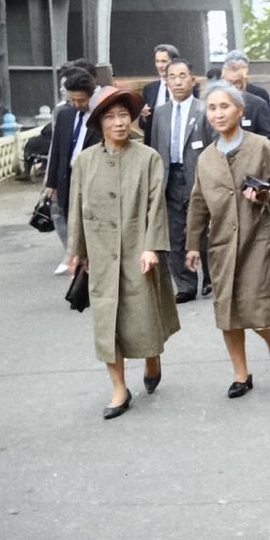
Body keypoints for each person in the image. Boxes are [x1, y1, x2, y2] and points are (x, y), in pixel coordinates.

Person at [65, 87, 181, 419]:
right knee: (107, 322)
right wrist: (76, 250)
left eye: (123, 116)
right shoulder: (85, 161)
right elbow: (76, 206)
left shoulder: (148, 158)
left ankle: (151, 356)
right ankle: (119, 388)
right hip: (100, 253)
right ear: (99, 123)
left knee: (143, 314)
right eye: (111, 117)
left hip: (137, 247)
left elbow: (156, 204)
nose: (118, 122)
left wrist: (150, 246)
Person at [186, 81, 270, 398]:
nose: (218, 113)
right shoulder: (206, 158)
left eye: (225, 106)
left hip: (259, 241)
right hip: (221, 246)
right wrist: (192, 245)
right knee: (227, 314)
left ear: (240, 110)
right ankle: (241, 374)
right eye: (212, 108)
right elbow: (198, 203)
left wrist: (266, 195)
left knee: (258, 312)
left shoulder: (261, 147)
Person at [150, 59, 212, 302]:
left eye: (182, 76)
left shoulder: (203, 109)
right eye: (172, 76)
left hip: (197, 176)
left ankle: (210, 278)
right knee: (174, 232)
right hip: (170, 178)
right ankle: (185, 284)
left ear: (192, 79)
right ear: (165, 81)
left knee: (202, 228)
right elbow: (156, 147)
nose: (177, 81)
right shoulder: (160, 113)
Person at [44, 68, 100, 274]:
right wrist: (51, 182)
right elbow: (57, 150)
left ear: (91, 96)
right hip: (67, 178)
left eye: (81, 100)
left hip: (92, 179)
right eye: (72, 100)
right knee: (71, 220)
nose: (76, 104)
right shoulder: (65, 115)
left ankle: (93, 262)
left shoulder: (101, 117)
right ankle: (77, 259)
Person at [220, 53, 270, 147]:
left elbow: (269, 139)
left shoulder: (258, 105)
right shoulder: (214, 105)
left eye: (236, 82)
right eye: (227, 82)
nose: (232, 87)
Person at [140, 44, 180, 144]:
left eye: (164, 61)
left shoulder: (185, 88)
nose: (160, 66)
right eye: (157, 61)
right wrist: (144, 116)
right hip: (156, 143)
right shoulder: (149, 89)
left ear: (174, 62)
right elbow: (143, 125)